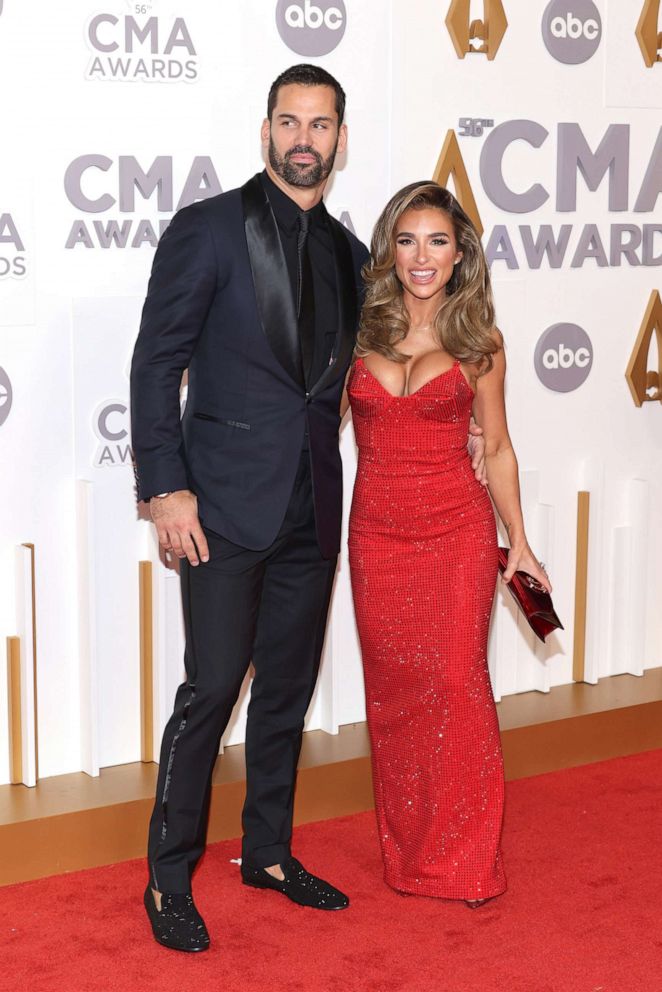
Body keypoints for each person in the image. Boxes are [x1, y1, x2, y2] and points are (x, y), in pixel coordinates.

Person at [130, 64, 369, 952]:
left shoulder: (353, 256)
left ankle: (266, 851)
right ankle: (166, 877)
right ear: (265, 131)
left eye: (321, 125)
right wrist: (164, 487)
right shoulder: (208, 231)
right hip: (220, 507)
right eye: (289, 121)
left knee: (286, 694)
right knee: (213, 688)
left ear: (341, 140)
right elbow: (156, 363)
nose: (303, 139)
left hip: (312, 509)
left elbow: (346, 387)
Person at [345, 181, 551, 908]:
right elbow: (310, 427)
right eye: (407, 240)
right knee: (397, 695)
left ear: (460, 253)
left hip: (455, 532)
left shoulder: (479, 341)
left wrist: (518, 540)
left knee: (457, 689)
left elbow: (495, 447)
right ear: (388, 250)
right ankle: (408, 856)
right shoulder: (359, 330)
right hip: (376, 534)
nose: (421, 256)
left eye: (437, 241)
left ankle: (466, 860)